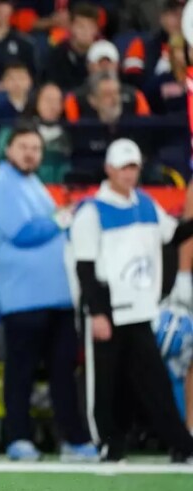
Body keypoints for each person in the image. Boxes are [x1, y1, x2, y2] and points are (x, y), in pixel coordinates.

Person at [70, 138, 193, 463]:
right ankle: (108, 442)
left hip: (140, 308)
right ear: (109, 169)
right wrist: (97, 313)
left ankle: (180, 443)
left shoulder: (146, 204)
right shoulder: (92, 211)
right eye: (123, 167)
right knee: (105, 383)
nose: (129, 174)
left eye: (134, 167)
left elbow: (173, 234)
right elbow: (84, 267)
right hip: (107, 306)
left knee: (155, 381)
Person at [0, 123, 99, 462]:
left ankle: (73, 441)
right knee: (22, 374)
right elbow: (22, 233)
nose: (31, 153)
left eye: (35, 147)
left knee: (64, 374)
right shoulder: (1, 184)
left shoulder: (33, 184)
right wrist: (64, 217)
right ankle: (18, 438)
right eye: (24, 147)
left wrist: (62, 217)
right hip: (23, 301)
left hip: (58, 297)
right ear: (9, 150)